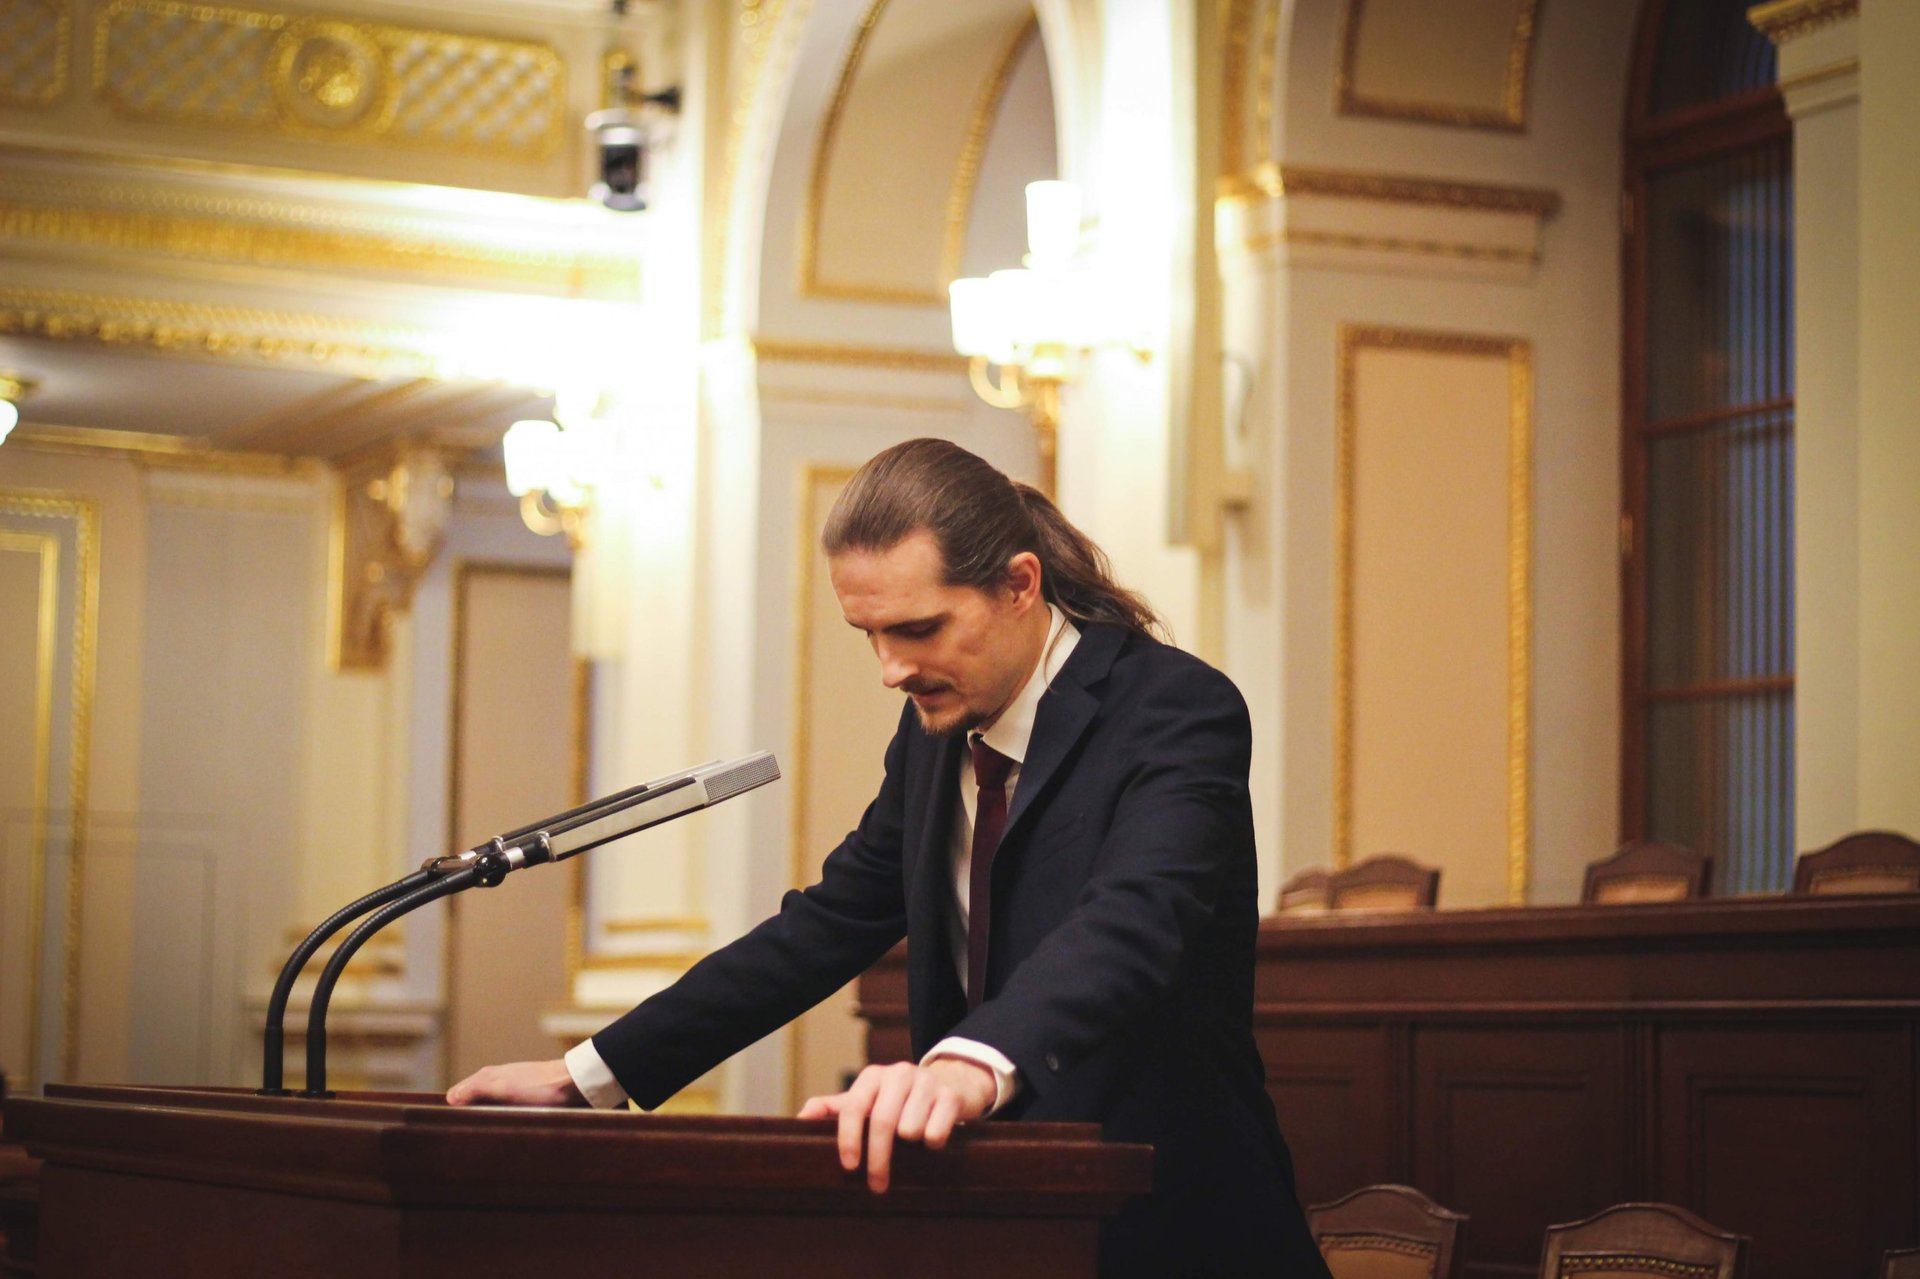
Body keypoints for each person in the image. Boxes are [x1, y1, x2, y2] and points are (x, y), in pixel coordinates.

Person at [448, 438, 1332, 1277]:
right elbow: (827, 924)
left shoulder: (1173, 708)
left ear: (1019, 584)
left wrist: (967, 1061)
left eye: (918, 627)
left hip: (1175, 1221)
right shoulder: (934, 734)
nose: (891, 669)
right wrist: (588, 1075)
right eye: (868, 633)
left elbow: (1132, 922)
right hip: (998, 1225)